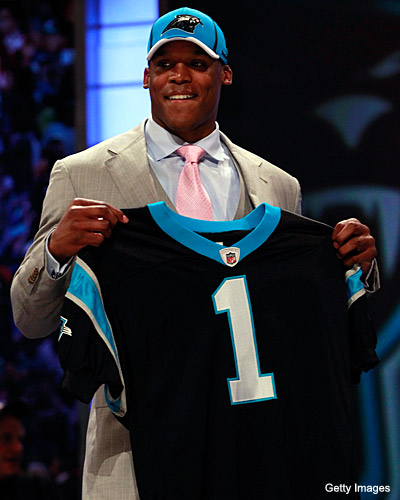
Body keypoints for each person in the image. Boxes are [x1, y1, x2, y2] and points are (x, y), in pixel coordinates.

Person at [11, 7, 378, 500]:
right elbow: (30, 320)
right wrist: (56, 252)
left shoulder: (277, 186)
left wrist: (353, 265)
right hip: (135, 459)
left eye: (198, 64)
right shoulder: (81, 173)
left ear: (225, 74)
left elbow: (292, 317)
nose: (179, 76)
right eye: (165, 65)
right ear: (146, 77)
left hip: (252, 453)